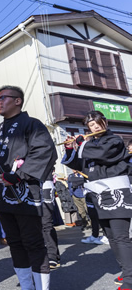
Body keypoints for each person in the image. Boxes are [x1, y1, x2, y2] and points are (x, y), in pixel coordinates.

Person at [0, 85, 57, 290]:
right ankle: (27, 286)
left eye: (3, 98)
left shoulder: (32, 124)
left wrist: (19, 175)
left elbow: (44, 152)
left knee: (33, 242)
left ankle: (41, 287)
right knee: (15, 242)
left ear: (17, 101)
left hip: (25, 192)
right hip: (2, 194)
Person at [62, 110, 132, 290]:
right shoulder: (90, 145)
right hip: (98, 193)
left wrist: (82, 144)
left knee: (120, 236)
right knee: (111, 237)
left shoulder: (114, 140)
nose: (94, 127)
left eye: (96, 123)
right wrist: (71, 148)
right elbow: (80, 164)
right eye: (90, 125)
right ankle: (126, 271)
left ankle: (130, 280)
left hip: (116, 192)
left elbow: (102, 154)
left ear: (105, 123)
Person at [42, 173, 60, 270]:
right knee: (36, 223)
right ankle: (52, 253)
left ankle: (52, 255)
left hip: (44, 182)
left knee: (46, 222)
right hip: (28, 184)